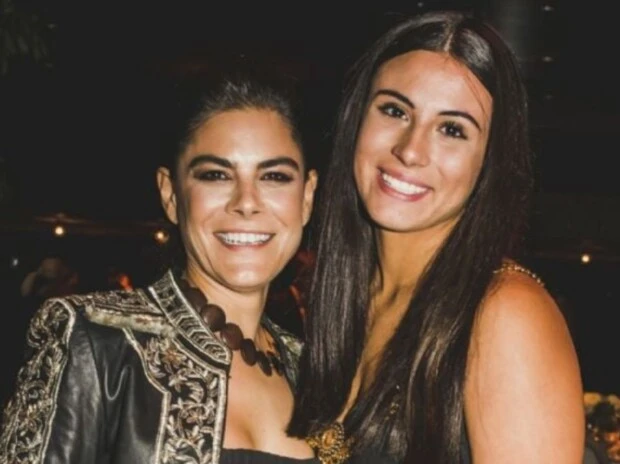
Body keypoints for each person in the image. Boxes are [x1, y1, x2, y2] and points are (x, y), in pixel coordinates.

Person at [288, 10, 584, 464]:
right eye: (394, 110)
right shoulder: (340, 297)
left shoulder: (505, 314)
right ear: (356, 118)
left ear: (489, 163)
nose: (410, 150)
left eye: (452, 130)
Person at [0, 74, 319, 463]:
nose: (246, 202)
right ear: (171, 195)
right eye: (216, 175)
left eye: (274, 177)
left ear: (306, 198)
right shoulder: (95, 340)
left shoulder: (313, 372)